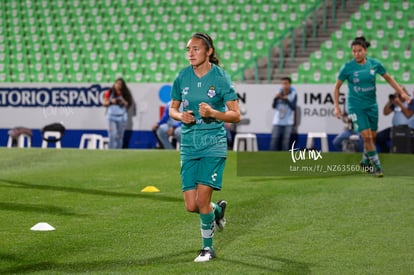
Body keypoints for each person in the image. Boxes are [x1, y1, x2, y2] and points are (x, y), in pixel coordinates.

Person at [169, 32, 240, 262]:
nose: (190, 53)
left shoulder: (220, 78)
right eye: (188, 49)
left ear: (209, 51)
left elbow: (236, 114)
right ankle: (217, 210)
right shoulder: (181, 77)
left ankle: (208, 249)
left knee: (201, 202)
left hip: (213, 144)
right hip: (189, 145)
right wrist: (181, 116)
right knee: (192, 205)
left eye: (196, 49)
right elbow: (172, 109)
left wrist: (213, 113)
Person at [333, 36, 411, 176]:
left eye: (359, 51)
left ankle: (364, 161)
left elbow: (389, 78)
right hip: (356, 107)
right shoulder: (347, 67)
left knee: (372, 137)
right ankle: (377, 166)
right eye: (354, 51)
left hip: (371, 106)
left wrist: (402, 94)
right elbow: (337, 87)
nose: (357, 54)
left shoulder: (374, 64)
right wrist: (337, 107)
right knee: (367, 138)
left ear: (366, 50)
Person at [376, 86, 410, 153]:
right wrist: (390, 101)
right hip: (395, 128)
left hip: (408, 129)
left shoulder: (410, 102)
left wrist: (400, 103)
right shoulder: (396, 103)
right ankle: (386, 153)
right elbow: (385, 112)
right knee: (378, 137)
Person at [103, 78, 133, 149]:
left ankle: (119, 151)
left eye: (120, 84)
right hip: (111, 117)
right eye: (117, 84)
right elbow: (104, 103)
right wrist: (111, 102)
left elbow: (128, 105)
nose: (118, 86)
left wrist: (123, 102)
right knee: (112, 135)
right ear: (114, 84)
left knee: (120, 136)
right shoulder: (109, 92)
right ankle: (111, 152)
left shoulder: (125, 94)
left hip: (122, 117)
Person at [270, 77, 297, 151]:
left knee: (285, 142)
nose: (284, 85)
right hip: (277, 122)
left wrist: (287, 100)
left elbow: (293, 107)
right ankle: (271, 159)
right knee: (274, 141)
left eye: (286, 83)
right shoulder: (278, 93)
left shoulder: (293, 94)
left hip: (288, 122)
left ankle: (284, 161)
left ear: (289, 84)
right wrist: (275, 98)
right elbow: (273, 106)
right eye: (283, 83)